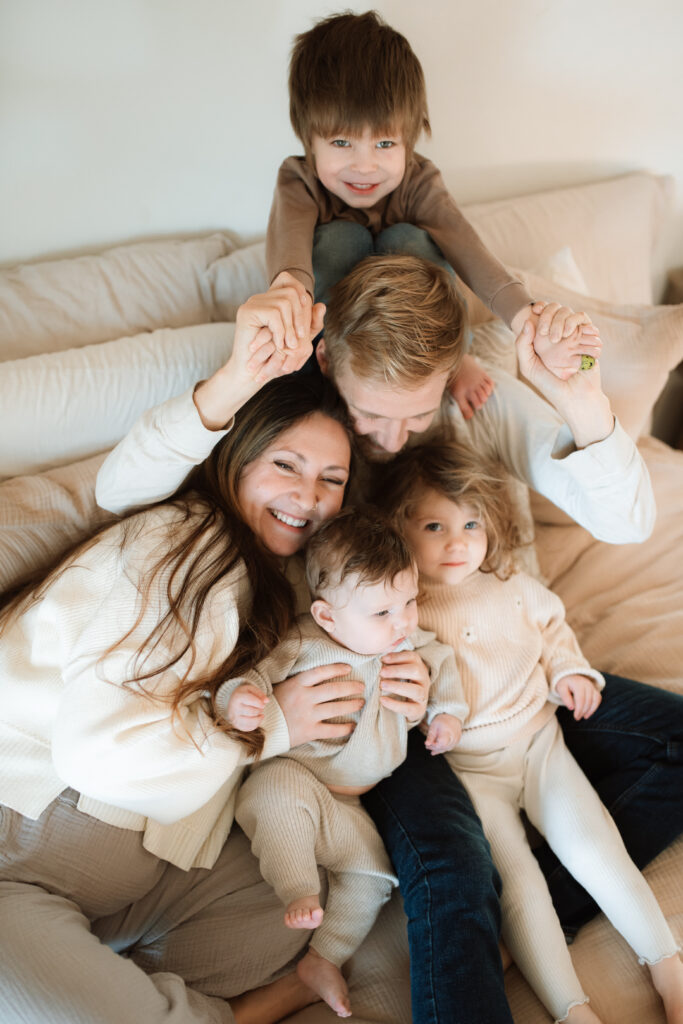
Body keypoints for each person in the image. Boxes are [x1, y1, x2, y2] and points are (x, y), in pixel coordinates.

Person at [96, 256, 682, 1024]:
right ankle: (487, 912)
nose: (390, 438)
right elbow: (120, 490)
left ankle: (521, 908)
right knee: (452, 866)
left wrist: (579, 400)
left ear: (451, 376)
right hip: (400, 706)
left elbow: (626, 520)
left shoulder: (476, 404)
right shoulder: (307, 435)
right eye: (370, 413)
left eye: (416, 413)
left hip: (513, 672)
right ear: (327, 360)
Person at [0, 305, 378, 1024]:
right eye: (286, 466)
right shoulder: (190, 544)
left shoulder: (273, 577)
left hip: (131, 869)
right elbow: (98, 754)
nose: (308, 497)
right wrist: (270, 727)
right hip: (22, 846)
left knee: (297, 896)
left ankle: (112, 974)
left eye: (332, 480)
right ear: (236, 459)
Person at [371, 438, 683, 1024]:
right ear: (398, 530)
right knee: (522, 890)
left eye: (470, 523)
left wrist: (570, 672)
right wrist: (432, 717)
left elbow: (552, 627)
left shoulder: (509, 581)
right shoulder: (405, 612)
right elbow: (410, 685)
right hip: (474, 772)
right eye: (435, 525)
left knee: (596, 848)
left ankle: (668, 965)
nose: (459, 541)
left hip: (543, 745)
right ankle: (573, 1010)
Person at [266, 9, 602, 418]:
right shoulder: (298, 180)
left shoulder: (419, 181)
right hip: (339, 337)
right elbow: (290, 256)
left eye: (385, 144)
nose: (364, 165)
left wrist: (524, 317)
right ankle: (320, 377)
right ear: (308, 139)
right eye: (341, 142)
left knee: (409, 239)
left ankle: (451, 358)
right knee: (342, 239)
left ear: (410, 139)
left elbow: (469, 252)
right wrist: (287, 294)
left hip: (411, 328)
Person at [223, 506, 465, 1018]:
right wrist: (240, 698)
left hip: (351, 804)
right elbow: (253, 678)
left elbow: (443, 664)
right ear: (328, 615)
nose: (402, 622)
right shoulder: (303, 644)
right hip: (300, 774)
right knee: (273, 795)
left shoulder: (409, 644)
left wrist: (446, 713)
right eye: (381, 613)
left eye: (409, 602)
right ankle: (299, 889)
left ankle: (322, 957)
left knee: (373, 873)